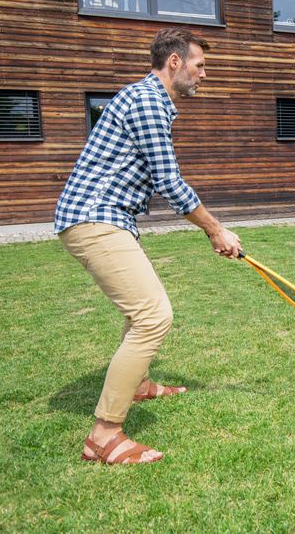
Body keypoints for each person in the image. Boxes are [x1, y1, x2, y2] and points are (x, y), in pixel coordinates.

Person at [54, 27, 242, 465]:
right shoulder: (147, 102)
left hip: (107, 217)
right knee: (153, 315)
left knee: (140, 311)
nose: (204, 74)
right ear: (173, 62)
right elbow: (169, 183)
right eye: (199, 65)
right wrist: (215, 229)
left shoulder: (149, 101)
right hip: (94, 218)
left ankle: (137, 385)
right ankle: (103, 436)